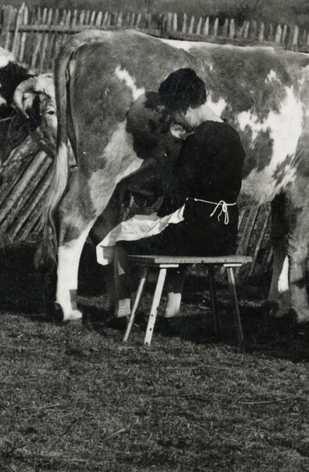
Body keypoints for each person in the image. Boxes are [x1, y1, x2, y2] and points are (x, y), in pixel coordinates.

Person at [99, 68, 246, 316]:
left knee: (120, 239)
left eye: (176, 115)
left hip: (194, 239)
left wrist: (162, 167)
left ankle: (122, 310)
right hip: (225, 237)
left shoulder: (197, 139)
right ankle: (172, 308)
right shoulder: (233, 135)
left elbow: (175, 195)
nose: (177, 121)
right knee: (183, 228)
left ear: (185, 108)